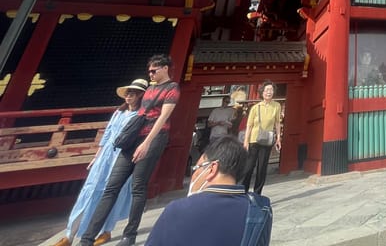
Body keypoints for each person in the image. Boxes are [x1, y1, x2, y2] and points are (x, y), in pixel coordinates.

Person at [79, 55, 180, 246]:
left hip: (154, 137)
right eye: (149, 70)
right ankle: (87, 237)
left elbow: (163, 117)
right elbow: (138, 113)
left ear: (165, 68)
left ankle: (130, 234)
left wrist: (147, 143)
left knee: (138, 186)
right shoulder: (149, 89)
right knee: (111, 187)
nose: (150, 73)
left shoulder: (172, 88)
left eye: (154, 70)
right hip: (133, 138)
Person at [53, 79, 148, 246]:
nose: (128, 96)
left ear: (141, 95)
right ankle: (70, 235)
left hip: (124, 157)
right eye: (127, 93)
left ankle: (106, 231)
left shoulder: (142, 116)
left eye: (132, 93)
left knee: (114, 193)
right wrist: (97, 156)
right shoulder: (118, 113)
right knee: (89, 192)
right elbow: (107, 134)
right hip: (105, 156)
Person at [145, 136, 272, 246]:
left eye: (197, 168)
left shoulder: (177, 209)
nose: (193, 175)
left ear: (212, 168)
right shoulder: (261, 211)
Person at [243, 81, 282, 194]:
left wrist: (278, 138)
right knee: (249, 166)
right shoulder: (256, 107)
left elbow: (277, 123)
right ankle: (244, 191)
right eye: (267, 90)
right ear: (262, 92)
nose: (269, 92)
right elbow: (249, 125)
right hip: (254, 140)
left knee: (262, 167)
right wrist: (246, 141)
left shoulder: (277, 106)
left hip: (267, 140)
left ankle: (257, 193)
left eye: (271, 90)